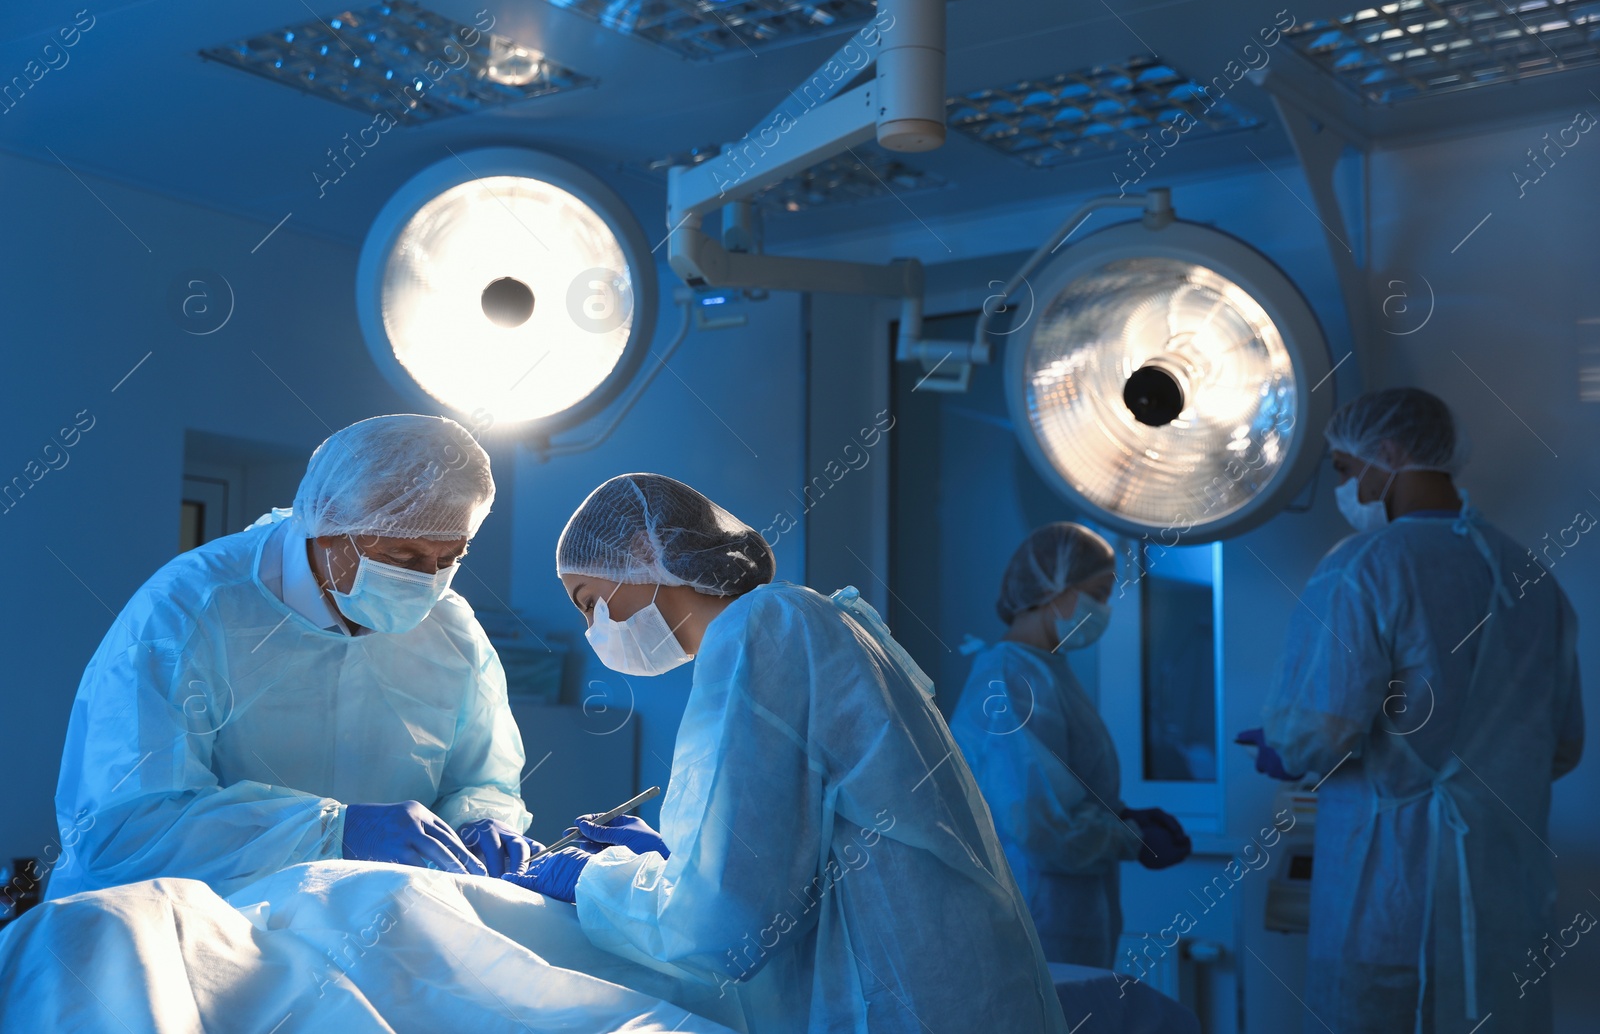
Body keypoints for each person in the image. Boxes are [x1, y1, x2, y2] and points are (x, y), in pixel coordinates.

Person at [505, 473, 1068, 1033]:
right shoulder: (801, 620)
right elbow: (786, 847)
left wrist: (592, 879)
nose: (592, 628)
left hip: (911, 998)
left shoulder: (762, 631)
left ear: (643, 550)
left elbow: (725, 928)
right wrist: (681, 861)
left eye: (589, 603)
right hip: (955, 981)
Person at [48, 415, 535, 900]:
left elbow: (482, 778)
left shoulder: (450, 629)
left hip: (363, 930)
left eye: (450, 558)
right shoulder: (191, 609)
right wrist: (332, 832)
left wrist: (479, 822)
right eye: (403, 558)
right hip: (177, 932)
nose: (428, 580)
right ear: (327, 527)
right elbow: (127, 828)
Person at [1239, 388, 1584, 1033]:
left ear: (1388, 453)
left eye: (1344, 469)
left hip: (1389, 892)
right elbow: (1561, 745)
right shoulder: (1532, 578)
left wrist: (1282, 747)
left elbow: (1317, 734)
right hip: (1501, 896)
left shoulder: (1366, 568)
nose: (1344, 488)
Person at [948, 523, 1191, 968]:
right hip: (1036, 914)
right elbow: (1036, 824)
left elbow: (1059, 787)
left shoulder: (1046, 670)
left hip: (1070, 914)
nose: (1103, 608)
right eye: (1097, 592)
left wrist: (1120, 816)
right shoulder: (1009, 677)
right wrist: (1132, 839)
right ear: (1051, 586)